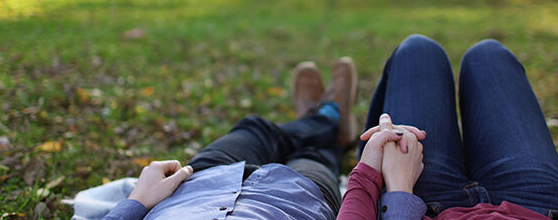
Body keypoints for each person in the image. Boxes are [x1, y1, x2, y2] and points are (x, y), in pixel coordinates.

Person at [99, 57, 425, 220]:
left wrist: (136, 203)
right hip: (299, 201)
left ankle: (323, 118)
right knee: (315, 153)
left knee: (255, 128)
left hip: (193, 188)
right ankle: (329, 120)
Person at [337, 35, 558, 220]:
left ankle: (343, 127)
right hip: (535, 209)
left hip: (420, 204)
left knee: (417, 50)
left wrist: (373, 169)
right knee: (489, 55)